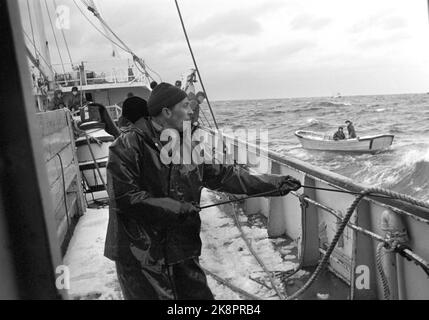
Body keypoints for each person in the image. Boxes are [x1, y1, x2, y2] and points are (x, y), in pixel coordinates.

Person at [104, 82, 302, 300]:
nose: (191, 111)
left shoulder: (188, 144)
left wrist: (274, 183)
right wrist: (176, 209)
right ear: (167, 111)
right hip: (141, 254)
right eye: (185, 106)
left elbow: (225, 176)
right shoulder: (128, 144)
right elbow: (125, 198)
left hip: (180, 248)